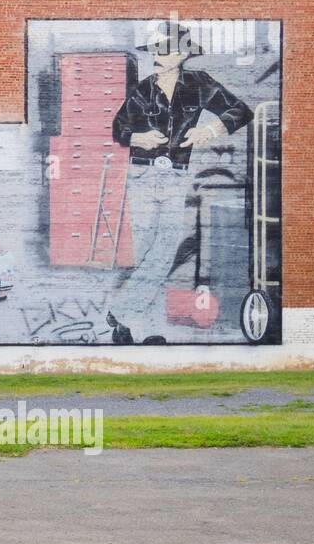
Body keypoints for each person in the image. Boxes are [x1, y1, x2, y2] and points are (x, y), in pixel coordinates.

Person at [107, 21, 252, 344]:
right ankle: (143, 327)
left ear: (184, 53)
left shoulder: (199, 85)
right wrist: (138, 137)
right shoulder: (144, 88)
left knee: (164, 251)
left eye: (166, 49)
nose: (158, 56)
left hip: (175, 175)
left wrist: (209, 131)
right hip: (142, 174)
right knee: (146, 252)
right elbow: (119, 129)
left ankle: (121, 310)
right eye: (155, 50)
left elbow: (241, 111)